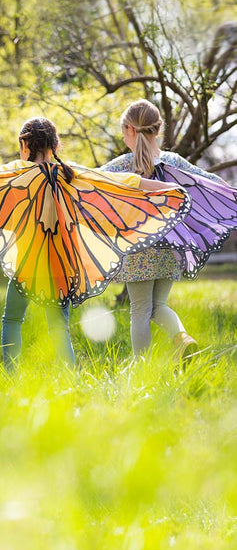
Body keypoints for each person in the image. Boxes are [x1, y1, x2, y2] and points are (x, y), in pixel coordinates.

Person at [0, 117, 190, 370]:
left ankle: (10, 373)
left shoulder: (16, 174)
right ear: (56, 145)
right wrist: (166, 190)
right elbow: (120, 183)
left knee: (12, 319)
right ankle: (69, 376)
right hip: (61, 264)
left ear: (24, 146)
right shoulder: (70, 174)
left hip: (27, 263)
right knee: (58, 327)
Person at [100, 99, 237, 358]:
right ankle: (182, 337)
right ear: (158, 129)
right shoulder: (173, 161)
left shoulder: (121, 166)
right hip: (171, 246)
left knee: (140, 310)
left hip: (137, 249)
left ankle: (143, 368)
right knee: (157, 305)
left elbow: (90, 180)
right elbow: (209, 182)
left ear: (129, 129)